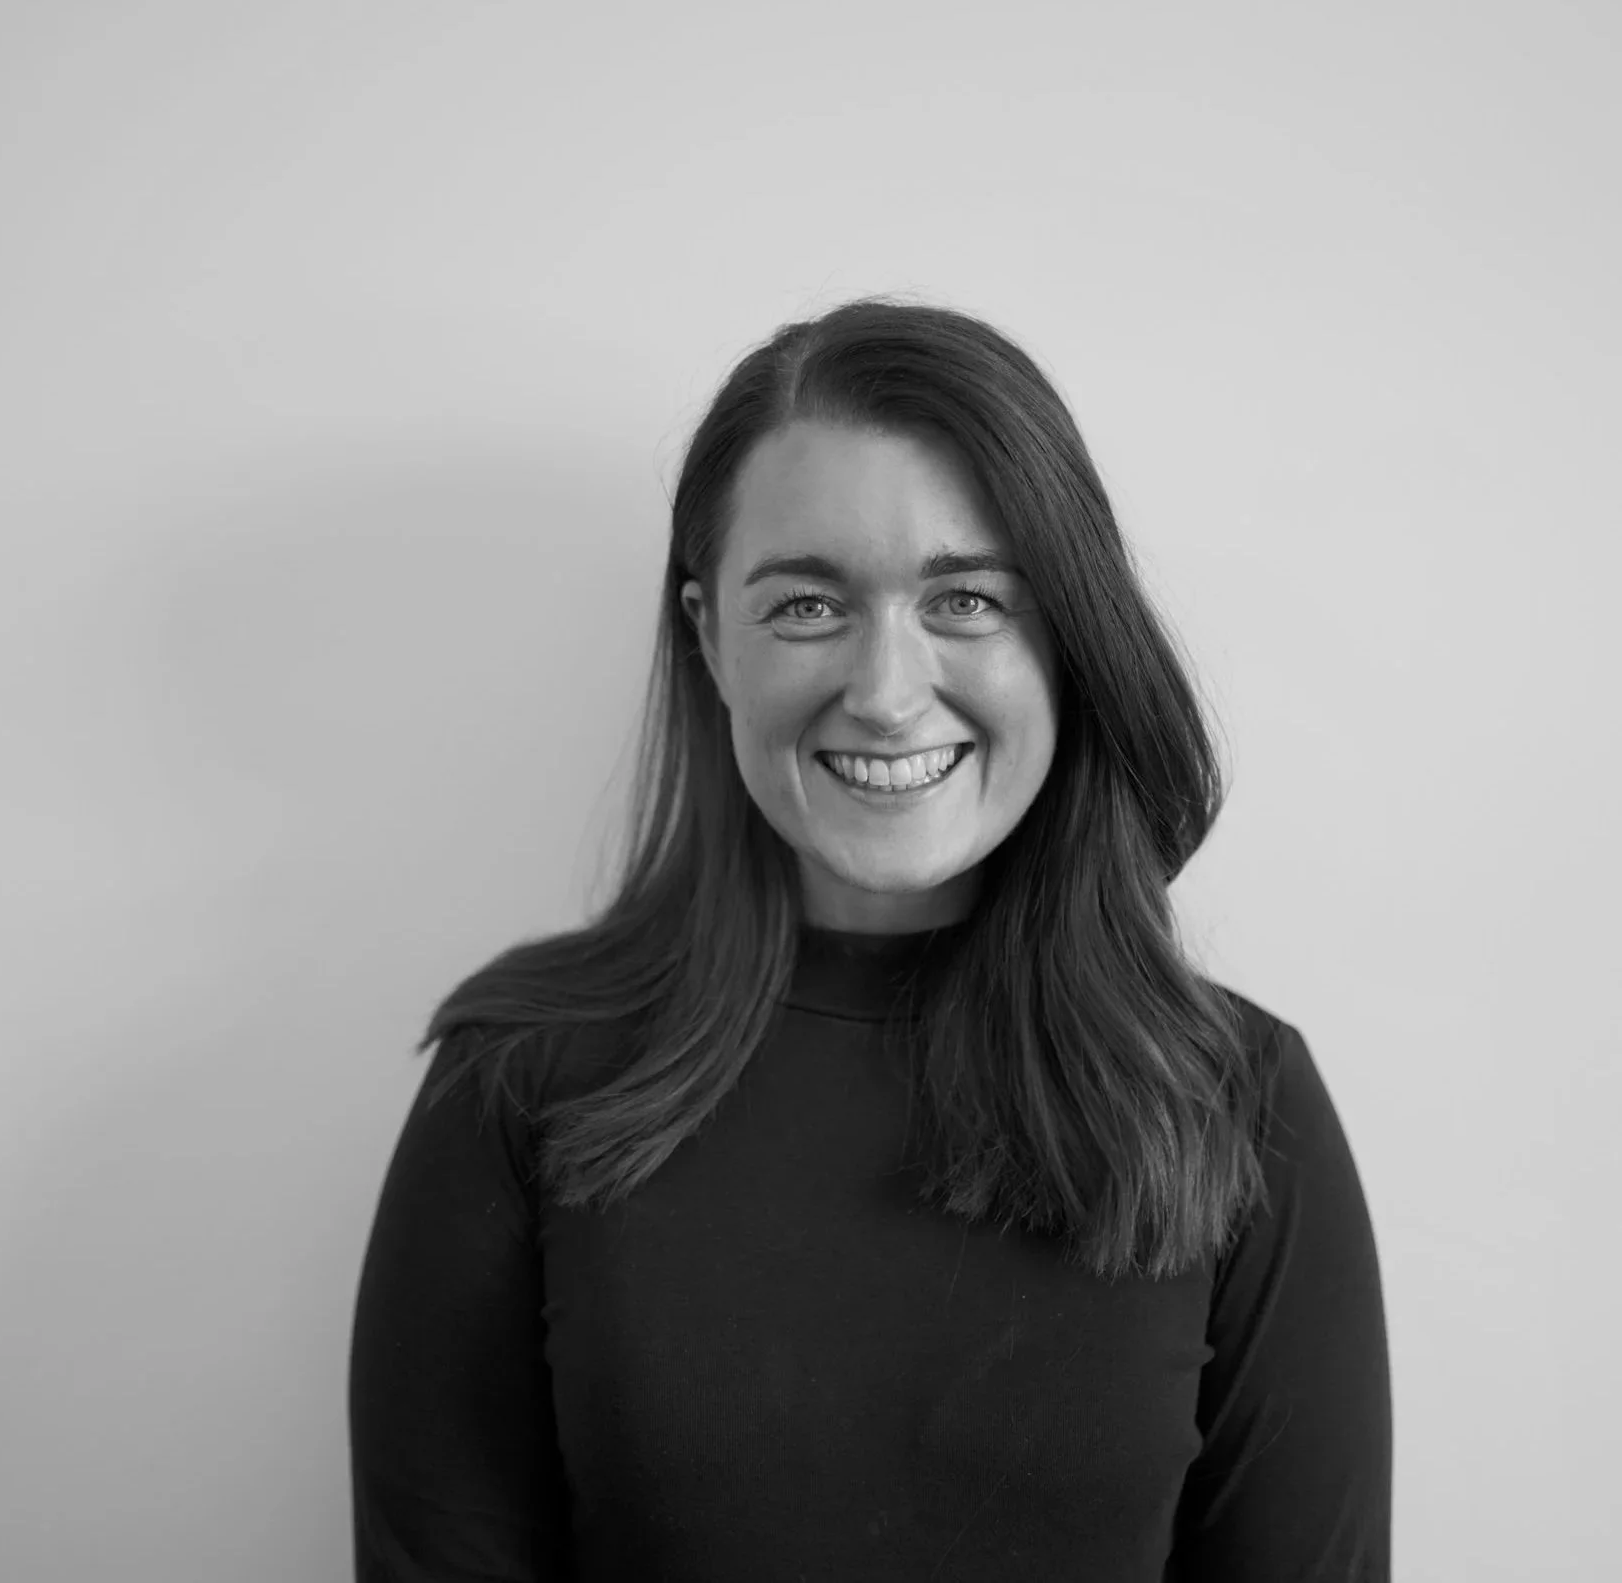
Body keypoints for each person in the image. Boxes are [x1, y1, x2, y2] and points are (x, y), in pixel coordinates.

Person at [347, 299, 1391, 1580]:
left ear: (1065, 636)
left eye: (964, 599)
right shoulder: (523, 1076)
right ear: (707, 636)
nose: (888, 694)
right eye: (805, 607)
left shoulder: (1236, 1098)